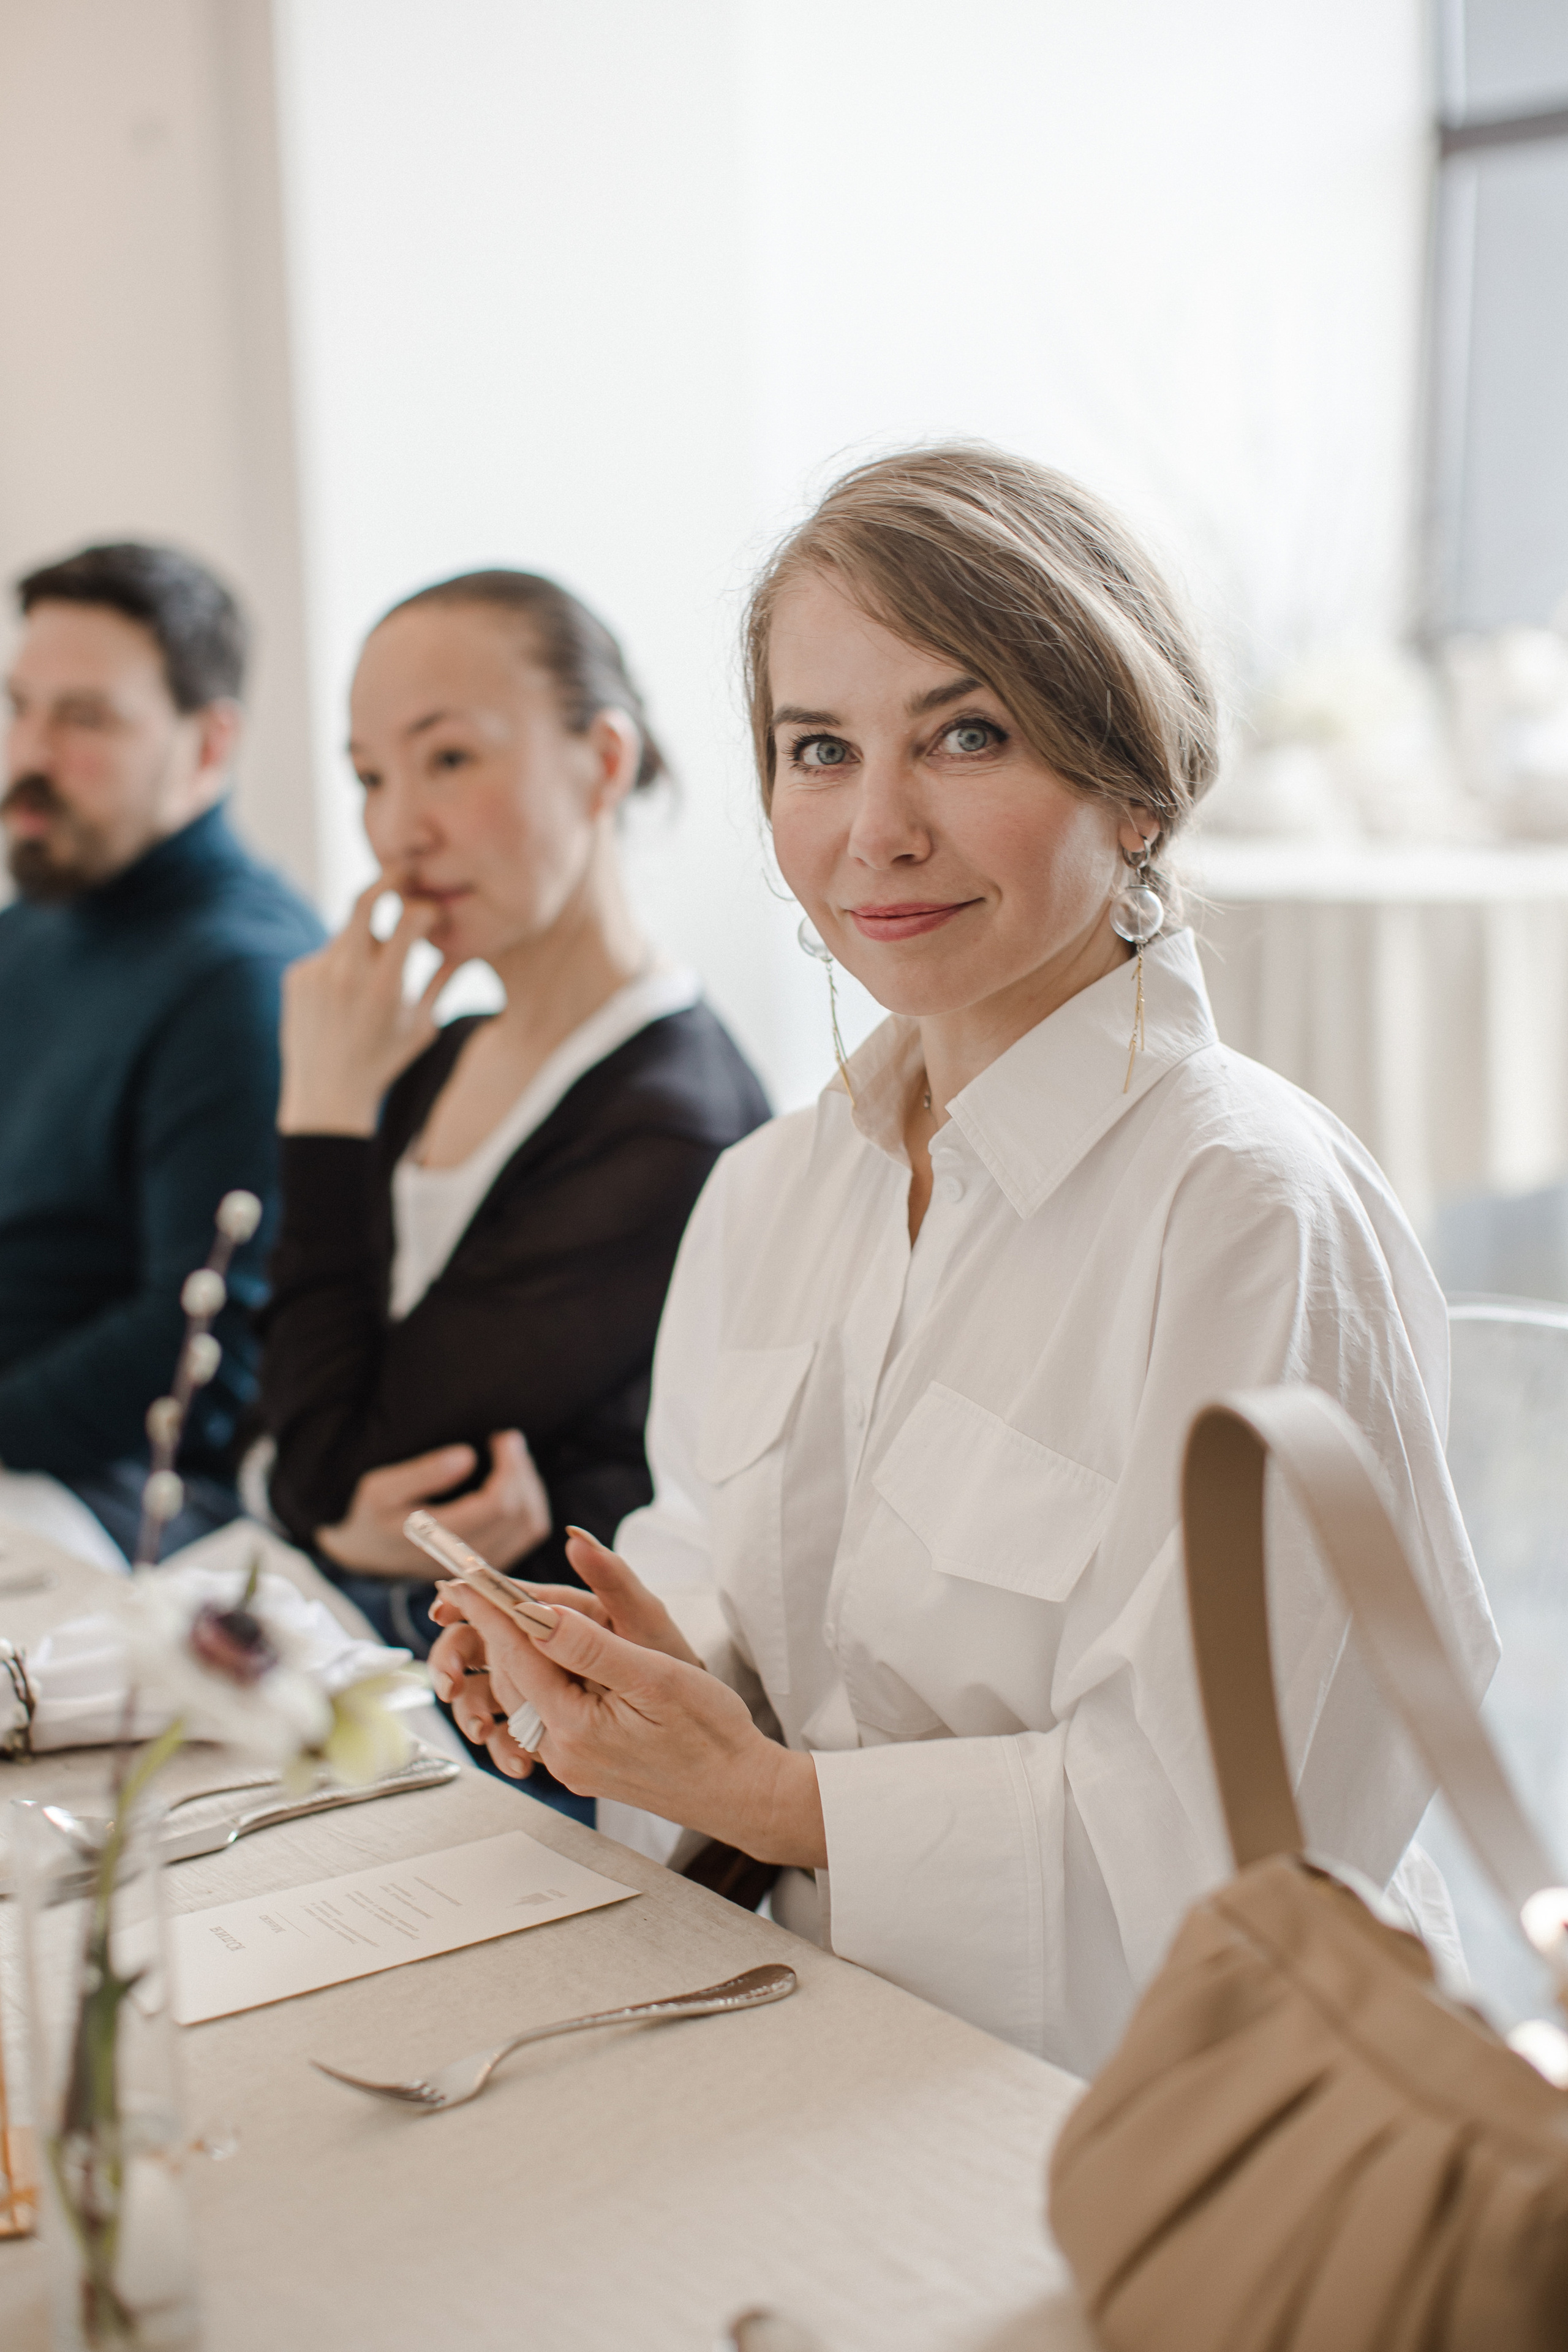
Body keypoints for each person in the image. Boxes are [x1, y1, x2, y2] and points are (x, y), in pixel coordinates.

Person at [426, 447, 1497, 2074]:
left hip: (1158, 2115)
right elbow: (721, 1567)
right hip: (795, 2036)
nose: (877, 831)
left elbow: (1245, 1841)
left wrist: (773, 1799)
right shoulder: (770, 1193)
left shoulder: (1252, 1216)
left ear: (1137, 788)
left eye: (966, 736)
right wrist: (633, 1686)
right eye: (819, 750)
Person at [256, 571, 770, 1772]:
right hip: (370, 1659)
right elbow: (287, 1438)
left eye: (448, 760)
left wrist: (322, 1116)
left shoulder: (665, 1126)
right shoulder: (438, 1053)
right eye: (370, 778)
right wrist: (324, 1510)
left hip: (525, 1735)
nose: (399, 830)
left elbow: (323, 1460)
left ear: (602, 763)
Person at [0, 542, 324, 1566]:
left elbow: (193, 1351)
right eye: (19, 707)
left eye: (85, 719)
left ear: (209, 742)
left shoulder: (242, 979)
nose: (29, 754)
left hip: (106, 1504)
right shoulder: (36, 926)